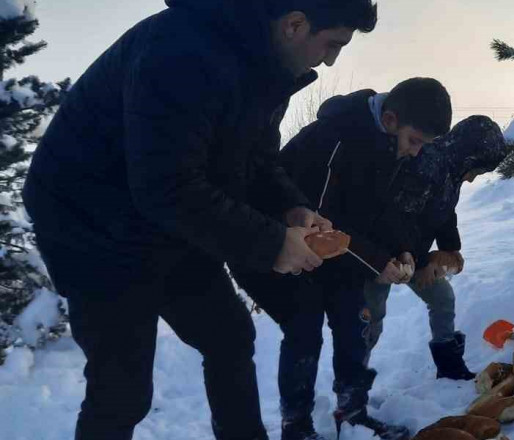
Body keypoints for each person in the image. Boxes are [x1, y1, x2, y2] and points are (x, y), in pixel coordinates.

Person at [22, 1, 377, 439]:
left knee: (229, 337)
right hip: (91, 226)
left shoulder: (266, 69)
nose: (331, 59)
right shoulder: (181, 50)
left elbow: (258, 161)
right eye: (333, 44)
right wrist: (271, 244)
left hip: (167, 218)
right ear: (295, 24)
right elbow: (165, 185)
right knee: (122, 390)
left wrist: (291, 208)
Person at [233, 78, 452, 440]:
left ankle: (352, 410)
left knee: (356, 322)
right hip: (285, 246)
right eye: (415, 141)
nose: (416, 152)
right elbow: (322, 221)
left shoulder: (393, 146)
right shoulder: (336, 136)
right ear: (392, 119)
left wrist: (401, 249)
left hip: (339, 254)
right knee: (304, 328)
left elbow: (386, 210)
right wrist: (376, 261)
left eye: (423, 146)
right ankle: (297, 426)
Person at [363, 115, 509, 380]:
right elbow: (398, 218)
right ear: (469, 156)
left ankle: (449, 367)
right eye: (476, 171)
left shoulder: (450, 170)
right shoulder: (425, 164)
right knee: (370, 321)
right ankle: (351, 394)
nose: (474, 179)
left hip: (413, 256)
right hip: (379, 254)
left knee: (442, 298)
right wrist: (419, 262)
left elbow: (444, 213)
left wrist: (450, 249)